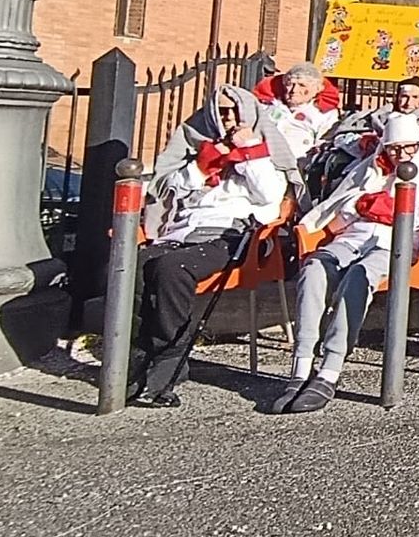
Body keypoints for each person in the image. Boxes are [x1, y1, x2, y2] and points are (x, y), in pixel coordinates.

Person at [127, 84, 297, 406]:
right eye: (221, 111)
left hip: (230, 235)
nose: (228, 118)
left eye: (234, 111)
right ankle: (136, 361)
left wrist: (248, 151)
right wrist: (200, 167)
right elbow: (167, 188)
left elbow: (271, 197)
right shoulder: (195, 141)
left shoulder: (263, 146)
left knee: (171, 270)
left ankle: (169, 359)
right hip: (180, 231)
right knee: (133, 267)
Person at [278, 113, 419, 413]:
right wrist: (361, 205)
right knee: (313, 270)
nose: (401, 155)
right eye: (394, 149)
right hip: (353, 237)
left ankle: (330, 369)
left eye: (408, 148)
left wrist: (398, 210)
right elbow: (342, 206)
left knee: (358, 278)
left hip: (395, 245)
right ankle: (301, 365)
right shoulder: (371, 167)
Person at [254, 60, 342, 166]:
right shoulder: (267, 106)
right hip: (264, 164)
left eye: (302, 85)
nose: (294, 90)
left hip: (300, 166)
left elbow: (324, 144)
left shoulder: (325, 114)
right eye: (290, 84)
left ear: (317, 89)